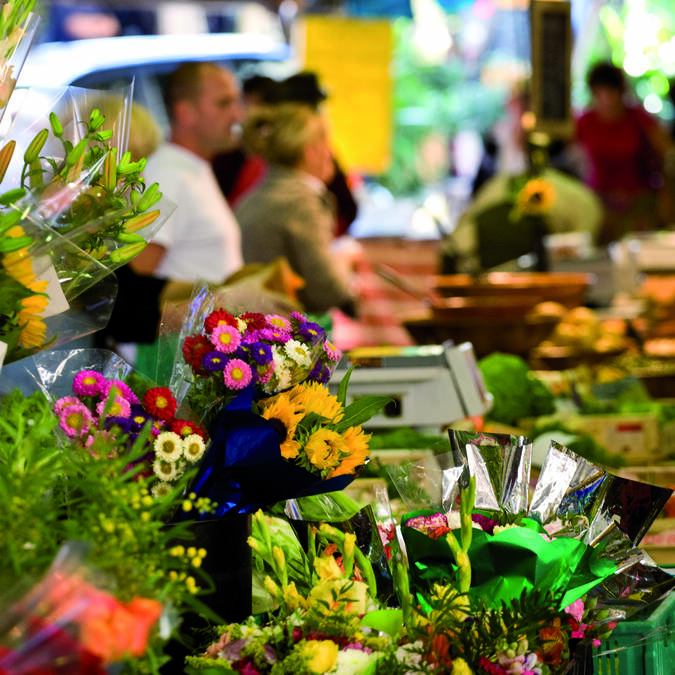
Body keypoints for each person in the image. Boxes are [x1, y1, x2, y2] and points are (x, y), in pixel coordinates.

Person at [235, 103, 357, 316]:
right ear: (311, 152)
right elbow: (327, 290)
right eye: (327, 144)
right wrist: (346, 258)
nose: (332, 152)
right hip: (289, 334)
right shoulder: (304, 202)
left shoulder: (250, 199)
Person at [131, 61, 244, 284]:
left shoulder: (191, 168)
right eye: (224, 103)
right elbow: (139, 277)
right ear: (185, 112)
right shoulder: (167, 174)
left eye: (235, 102)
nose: (237, 115)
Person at [574, 61, 669, 244]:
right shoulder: (586, 122)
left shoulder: (638, 118)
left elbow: (665, 152)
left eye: (611, 91)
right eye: (600, 92)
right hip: (601, 208)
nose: (606, 98)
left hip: (639, 206)